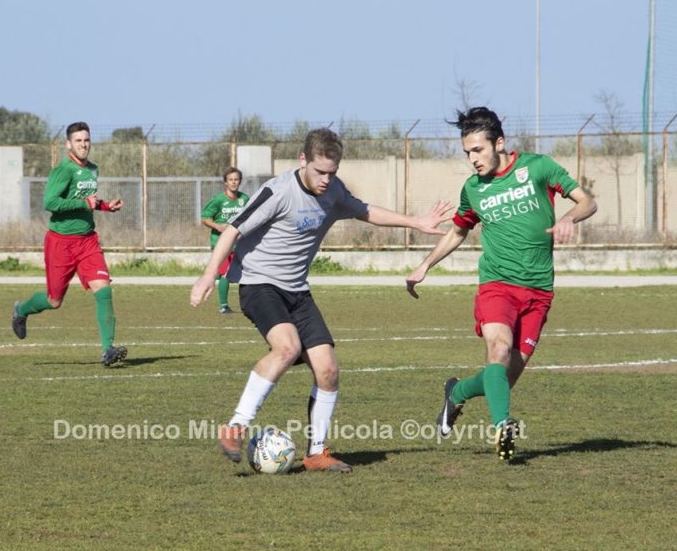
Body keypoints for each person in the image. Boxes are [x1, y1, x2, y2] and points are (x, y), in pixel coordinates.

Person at [191, 128, 454, 472]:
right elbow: (232, 230)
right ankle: (236, 426)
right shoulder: (278, 191)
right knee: (286, 347)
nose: (327, 180)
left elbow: (365, 211)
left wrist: (416, 222)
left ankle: (316, 452)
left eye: (333, 172)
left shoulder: (334, 191)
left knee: (328, 368)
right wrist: (210, 274)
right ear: (303, 160)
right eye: (320, 171)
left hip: (297, 290)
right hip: (259, 285)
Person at [406, 107, 597, 461]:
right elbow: (458, 230)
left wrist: (570, 218)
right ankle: (502, 428)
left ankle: (457, 391)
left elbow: (587, 201)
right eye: (467, 153)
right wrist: (424, 265)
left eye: (478, 150)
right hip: (497, 284)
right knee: (497, 350)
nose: (473, 160)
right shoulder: (473, 189)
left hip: (538, 290)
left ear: (499, 143)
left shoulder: (538, 168)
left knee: (503, 379)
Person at [11, 121, 128, 367]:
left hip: (87, 242)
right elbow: (51, 203)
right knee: (54, 301)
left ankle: (108, 350)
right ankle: (21, 310)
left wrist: (105, 206)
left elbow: (88, 201)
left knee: (104, 291)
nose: (84, 144)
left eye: (86, 140)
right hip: (60, 244)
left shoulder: (93, 169)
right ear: (68, 144)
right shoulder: (63, 170)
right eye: (78, 140)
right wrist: (84, 204)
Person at [200, 167, 250, 313]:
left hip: (238, 242)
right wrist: (218, 226)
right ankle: (223, 306)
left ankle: (245, 303)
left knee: (242, 273)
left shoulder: (244, 199)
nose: (234, 182)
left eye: (236, 179)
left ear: (240, 181)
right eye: (230, 180)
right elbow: (204, 218)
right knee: (226, 273)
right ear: (225, 182)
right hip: (220, 242)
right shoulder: (218, 200)